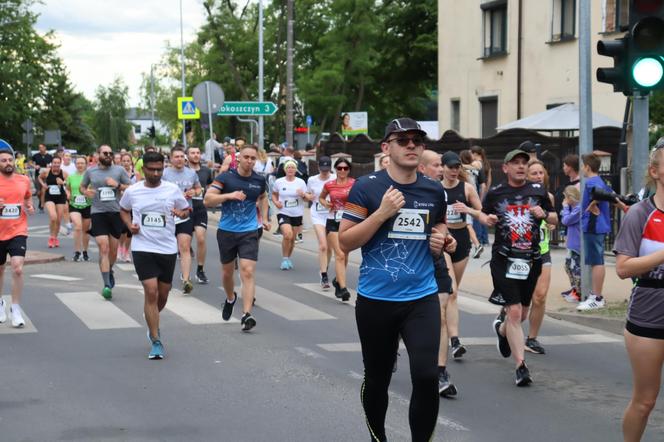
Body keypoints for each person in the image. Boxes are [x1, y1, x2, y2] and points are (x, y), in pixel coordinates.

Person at [339, 118, 454, 442]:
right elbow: (345, 242)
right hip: (377, 300)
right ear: (386, 148)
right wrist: (381, 214)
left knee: (427, 375)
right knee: (377, 379)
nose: (412, 145)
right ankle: (379, 438)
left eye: (417, 140)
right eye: (403, 140)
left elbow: (440, 227)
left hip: (421, 297)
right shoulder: (367, 187)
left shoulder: (433, 189)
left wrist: (443, 240)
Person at [483, 148, 557, 386]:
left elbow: (555, 218)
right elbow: (484, 217)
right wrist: (488, 220)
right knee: (514, 312)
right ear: (505, 168)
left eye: (524, 162)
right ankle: (521, 367)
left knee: (522, 314)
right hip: (504, 259)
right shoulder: (496, 193)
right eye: (515, 162)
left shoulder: (538, 191)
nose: (521, 166)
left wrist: (544, 213)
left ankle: (502, 330)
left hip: (530, 259)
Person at [614, 146, 664, 442]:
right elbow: (623, 268)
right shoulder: (639, 214)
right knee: (645, 401)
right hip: (649, 313)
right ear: (655, 172)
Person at [119, 151, 190, 359]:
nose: (156, 173)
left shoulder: (172, 189)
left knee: (163, 294)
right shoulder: (133, 191)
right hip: (142, 247)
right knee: (151, 291)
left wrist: (181, 213)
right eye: (152, 169)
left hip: (167, 248)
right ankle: (156, 339)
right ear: (143, 169)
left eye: (160, 169)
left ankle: (152, 318)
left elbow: (186, 210)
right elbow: (123, 209)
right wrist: (128, 225)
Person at [204, 144, 270, 331]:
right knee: (227, 273)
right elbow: (208, 200)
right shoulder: (226, 177)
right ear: (239, 158)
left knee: (247, 271)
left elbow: (264, 197)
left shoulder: (259, 180)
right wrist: (229, 195)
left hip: (249, 230)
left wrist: (264, 218)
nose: (249, 161)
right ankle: (230, 298)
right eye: (246, 157)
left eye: (253, 158)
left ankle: (246, 314)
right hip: (226, 230)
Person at [417, 149, 458, 397]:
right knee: (405, 316)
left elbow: (441, 226)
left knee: (440, 314)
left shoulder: (438, 193)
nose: (441, 169)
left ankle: (440, 371)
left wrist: (447, 240)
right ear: (422, 168)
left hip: (435, 260)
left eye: (442, 165)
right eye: (436, 165)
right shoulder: (406, 190)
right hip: (408, 262)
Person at [440, 151, 483, 360]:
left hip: (462, 238)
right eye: (450, 167)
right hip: (444, 240)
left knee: (451, 292)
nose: (454, 171)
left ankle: (444, 329)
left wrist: (467, 208)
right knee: (452, 291)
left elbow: (481, 212)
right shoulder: (436, 188)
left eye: (457, 167)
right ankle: (455, 340)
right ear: (443, 168)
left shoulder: (466, 188)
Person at [80, 145, 132, 300]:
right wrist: (85, 192)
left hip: (115, 213)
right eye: (105, 153)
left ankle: (109, 269)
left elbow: (130, 188)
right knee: (104, 247)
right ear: (98, 155)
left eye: (111, 153)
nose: (109, 155)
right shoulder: (91, 171)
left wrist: (117, 185)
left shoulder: (119, 171)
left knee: (113, 251)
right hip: (98, 213)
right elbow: (82, 186)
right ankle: (107, 285)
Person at [524, 159, 556, 355]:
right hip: (521, 252)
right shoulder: (519, 195)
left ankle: (532, 338)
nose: (538, 176)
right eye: (533, 173)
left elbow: (554, 218)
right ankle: (505, 319)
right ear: (526, 176)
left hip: (542, 251)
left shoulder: (548, 196)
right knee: (521, 298)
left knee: (540, 296)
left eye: (540, 173)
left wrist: (547, 218)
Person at [0, 146, 34, 328]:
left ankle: (15, 307)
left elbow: (27, 198)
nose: (7, 163)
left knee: (17, 268)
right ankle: (0, 303)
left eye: (10, 160)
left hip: (18, 230)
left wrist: (29, 206)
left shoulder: (23, 180)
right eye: (3, 160)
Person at [162, 146, 201, 294]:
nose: (179, 159)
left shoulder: (191, 173)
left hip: (185, 214)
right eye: (176, 156)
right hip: (168, 216)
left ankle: (186, 280)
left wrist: (194, 191)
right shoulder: (165, 174)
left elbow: (199, 189)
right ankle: (165, 278)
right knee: (169, 249)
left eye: (181, 156)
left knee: (184, 247)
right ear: (171, 159)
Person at [577, 153, 611, 311]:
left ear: (588, 167)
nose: (582, 168)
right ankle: (595, 295)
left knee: (597, 261)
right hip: (596, 225)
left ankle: (597, 297)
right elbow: (606, 194)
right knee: (596, 261)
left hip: (593, 225)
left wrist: (593, 205)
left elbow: (599, 194)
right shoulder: (599, 181)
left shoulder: (592, 182)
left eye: (583, 165)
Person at [318, 158, 354, 301]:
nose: (342, 171)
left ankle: (338, 281)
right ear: (336, 169)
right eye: (339, 168)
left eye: (345, 168)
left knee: (344, 254)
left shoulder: (354, 183)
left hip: (349, 221)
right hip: (333, 220)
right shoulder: (329, 185)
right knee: (339, 254)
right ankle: (343, 289)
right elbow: (320, 198)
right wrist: (325, 203)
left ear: (349, 169)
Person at [272, 160, 309, 270]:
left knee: (292, 238)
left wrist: (303, 194)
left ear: (295, 170)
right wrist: (276, 202)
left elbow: (306, 197)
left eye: (292, 167)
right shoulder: (279, 182)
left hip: (297, 213)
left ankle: (288, 258)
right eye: (288, 167)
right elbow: (274, 194)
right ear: (285, 169)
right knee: (287, 234)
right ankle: (284, 259)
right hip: (283, 212)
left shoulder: (301, 182)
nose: (290, 170)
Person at [306, 156, 335, 289]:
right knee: (323, 245)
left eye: (327, 169)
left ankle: (324, 266)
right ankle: (324, 276)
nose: (324, 172)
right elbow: (308, 194)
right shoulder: (312, 180)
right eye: (322, 169)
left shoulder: (335, 178)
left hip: (331, 214)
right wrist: (308, 196)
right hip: (317, 214)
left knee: (329, 248)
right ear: (318, 168)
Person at [186, 146, 214, 284]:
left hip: (200, 209)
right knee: (185, 243)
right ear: (187, 155)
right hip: (186, 209)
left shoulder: (206, 171)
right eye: (192, 153)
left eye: (197, 152)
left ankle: (200, 270)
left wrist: (209, 198)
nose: (196, 155)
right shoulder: (183, 171)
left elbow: (209, 187)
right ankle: (185, 272)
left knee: (201, 239)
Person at [66, 156, 92, 262]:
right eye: (78, 163)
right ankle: (77, 252)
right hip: (74, 204)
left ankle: (85, 251)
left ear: (86, 165)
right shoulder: (71, 177)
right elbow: (67, 189)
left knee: (85, 230)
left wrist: (89, 193)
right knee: (77, 227)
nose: (80, 165)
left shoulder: (90, 177)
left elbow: (94, 189)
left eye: (82, 163)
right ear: (75, 164)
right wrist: (68, 195)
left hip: (87, 205)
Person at [38, 156, 68, 248]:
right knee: (53, 217)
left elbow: (68, 184)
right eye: (54, 162)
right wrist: (43, 184)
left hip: (60, 197)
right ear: (52, 163)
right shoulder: (47, 171)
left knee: (58, 220)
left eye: (58, 163)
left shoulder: (64, 173)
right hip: (49, 196)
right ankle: (51, 237)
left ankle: (55, 237)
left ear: (60, 163)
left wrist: (63, 183)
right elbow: (39, 177)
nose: (56, 164)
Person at [560, 185, 582, 302]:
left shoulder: (578, 208)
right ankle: (575, 289)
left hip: (577, 244)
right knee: (568, 266)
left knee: (576, 269)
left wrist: (565, 207)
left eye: (565, 198)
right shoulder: (573, 208)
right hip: (572, 243)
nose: (564, 200)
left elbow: (566, 220)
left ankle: (579, 293)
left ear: (569, 197)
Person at [118, 153, 136, 263]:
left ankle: (126, 251)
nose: (126, 163)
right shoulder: (118, 174)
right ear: (121, 162)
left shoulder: (136, 175)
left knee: (130, 230)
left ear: (131, 162)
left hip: (134, 204)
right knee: (123, 229)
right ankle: (120, 247)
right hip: (122, 204)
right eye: (123, 161)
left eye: (127, 160)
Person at [31, 144, 52, 212]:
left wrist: (50, 166)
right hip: (38, 175)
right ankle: (41, 201)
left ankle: (41, 206)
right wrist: (35, 166)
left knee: (43, 191)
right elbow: (30, 163)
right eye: (39, 147)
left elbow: (53, 164)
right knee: (38, 193)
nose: (40, 149)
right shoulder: (36, 155)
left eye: (42, 147)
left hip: (46, 175)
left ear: (45, 147)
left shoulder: (49, 156)